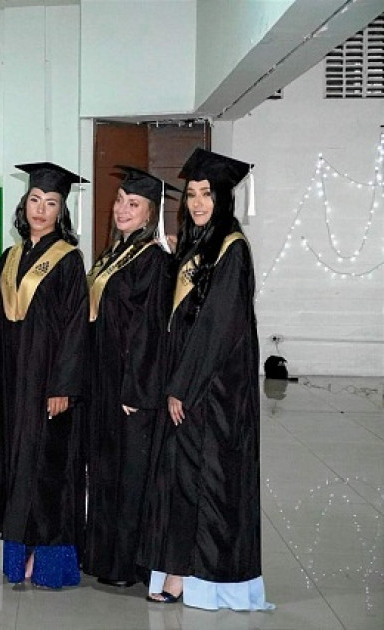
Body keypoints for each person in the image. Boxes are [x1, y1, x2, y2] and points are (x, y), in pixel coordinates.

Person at [139, 149, 272, 611]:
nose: (197, 202)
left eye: (206, 194)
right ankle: (178, 569)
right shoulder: (200, 246)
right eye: (192, 194)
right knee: (180, 478)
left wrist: (183, 386)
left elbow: (217, 327)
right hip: (192, 382)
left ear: (223, 198)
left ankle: (199, 578)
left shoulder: (232, 249)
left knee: (207, 481)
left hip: (214, 390)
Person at [0, 162, 89, 589]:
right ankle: (18, 556)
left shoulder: (68, 260)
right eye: (35, 200)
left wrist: (63, 386)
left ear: (61, 211)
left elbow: (74, 327)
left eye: (50, 203)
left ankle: (48, 561)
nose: (40, 209)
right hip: (14, 381)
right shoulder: (10, 256)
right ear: (25, 204)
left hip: (48, 382)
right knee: (18, 468)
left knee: (48, 470)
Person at [83, 166, 173, 589]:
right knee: (105, 470)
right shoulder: (113, 253)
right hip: (104, 380)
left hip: (130, 387)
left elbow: (149, 330)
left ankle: (126, 564)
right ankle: (102, 555)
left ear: (150, 214)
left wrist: (136, 388)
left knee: (130, 474)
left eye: (132, 204)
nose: (122, 209)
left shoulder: (154, 260)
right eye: (120, 201)